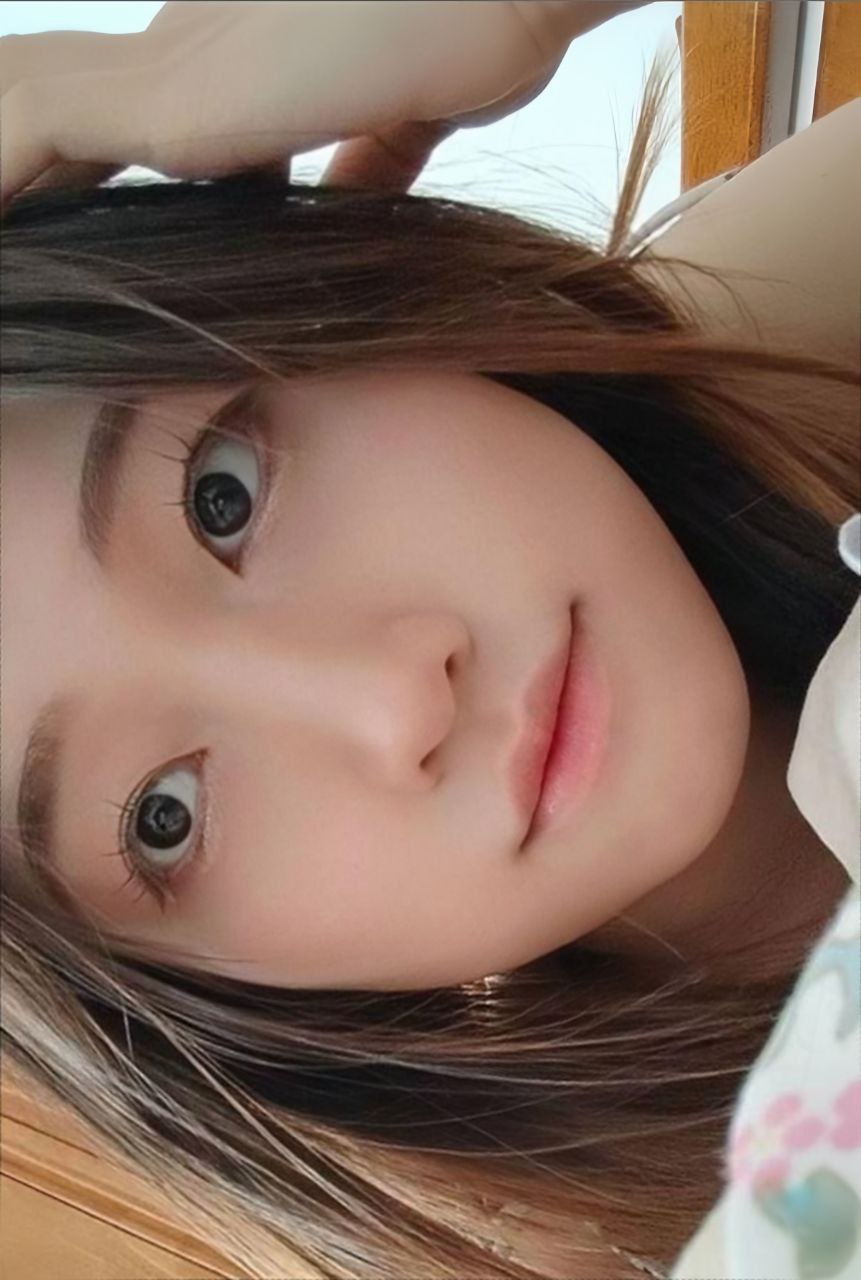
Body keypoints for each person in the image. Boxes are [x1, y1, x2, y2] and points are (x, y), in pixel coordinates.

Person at [1, 5, 858, 1278]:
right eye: (162, 817)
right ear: (206, 1006)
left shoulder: (775, 320)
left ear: (325, 311)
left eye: (220, 497)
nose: (397, 701)